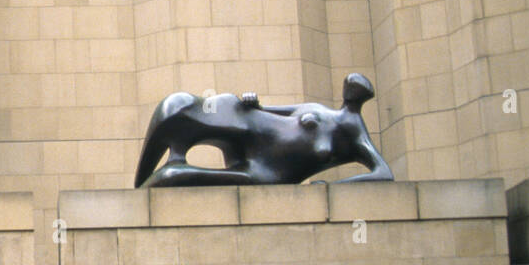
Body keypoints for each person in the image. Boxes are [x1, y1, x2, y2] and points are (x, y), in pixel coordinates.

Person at [134, 72, 394, 187]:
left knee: (173, 177)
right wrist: (252, 102)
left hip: (267, 172)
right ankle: (178, 145)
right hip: (255, 133)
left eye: (355, 87)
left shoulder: (354, 132)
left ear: (361, 96)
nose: (349, 89)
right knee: (195, 104)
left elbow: (382, 173)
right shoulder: (318, 108)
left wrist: (334, 185)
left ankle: (174, 165)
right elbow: (270, 109)